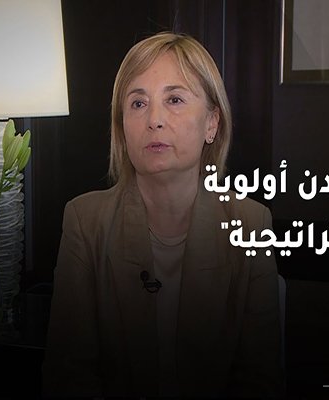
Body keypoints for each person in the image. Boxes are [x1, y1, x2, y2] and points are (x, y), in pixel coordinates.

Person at [42, 32, 282, 398]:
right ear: (122, 126)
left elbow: (260, 380)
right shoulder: (85, 222)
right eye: (138, 103)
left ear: (211, 123)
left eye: (174, 99)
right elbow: (69, 375)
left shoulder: (251, 224)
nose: (154, 119)